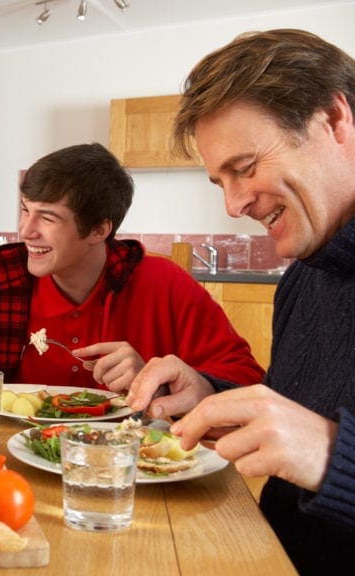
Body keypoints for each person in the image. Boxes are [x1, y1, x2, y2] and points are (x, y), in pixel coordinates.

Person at [124, 29, 355, 574]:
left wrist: (331, 455)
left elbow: (314, 441)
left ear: (334, 120)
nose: (233, 204)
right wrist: (211, 395)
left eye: (246, 166)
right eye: (219, 181)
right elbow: (292, 413)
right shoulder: (306, 275)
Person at [0, 142, 264, 399]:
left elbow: (246, 380)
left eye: (47, 217)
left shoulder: (165, 284)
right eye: (25, 210)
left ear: (99, 231)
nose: (25, 230)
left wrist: (157, 381)